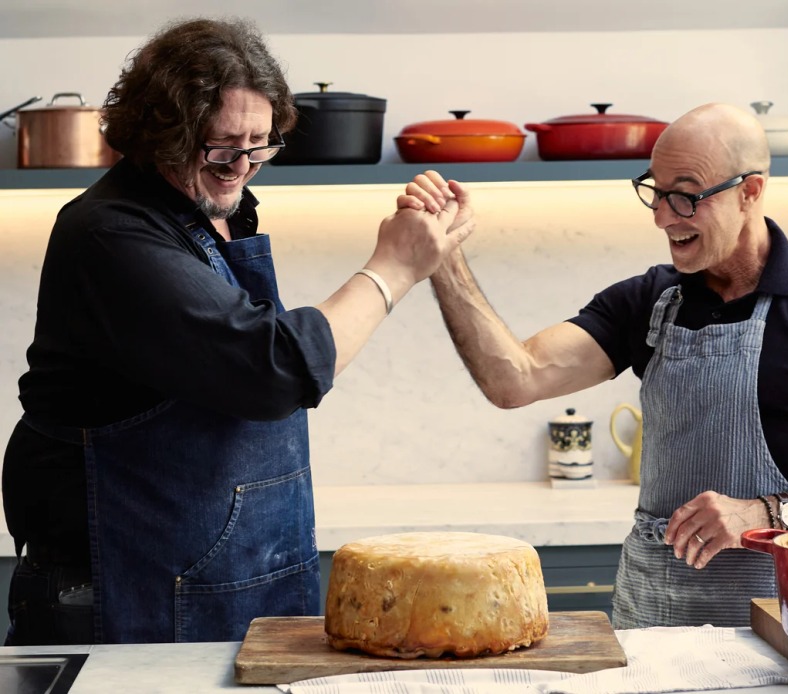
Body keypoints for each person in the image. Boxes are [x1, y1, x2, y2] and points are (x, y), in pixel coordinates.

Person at [2, 17, 472, 645]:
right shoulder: (112, 234)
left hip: (236, 576)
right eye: (220, 145)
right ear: (159, 132)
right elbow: (272, 370)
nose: (242, 165)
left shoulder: (213, 212)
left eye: (260, 143)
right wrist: (393, 268)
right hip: (123, 590)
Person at [401, 103, 788, 629]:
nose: (662, 215)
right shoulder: (647, 301)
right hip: (647, 628)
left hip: (777, 629)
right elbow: (515, 379)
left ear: (751, 192)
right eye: (655, 190)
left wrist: (764, 513)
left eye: (686, 194)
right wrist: (444, 256)